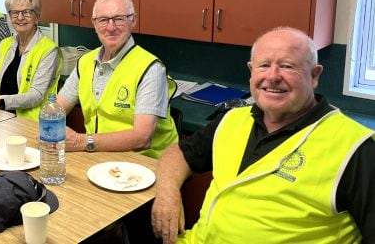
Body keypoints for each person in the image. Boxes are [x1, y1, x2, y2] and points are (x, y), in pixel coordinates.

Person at [151, 27, 375, 244]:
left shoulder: (356, 149)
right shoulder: (231, 120)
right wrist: (168, 192)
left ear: (315, 75)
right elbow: (179, 154)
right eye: (264, 65)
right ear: (251, 71)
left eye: (287, 66)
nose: (273, 76)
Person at [57, 0, 179, 159]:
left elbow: (142, 138)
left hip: (146, 164)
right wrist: (51, 123)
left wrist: (80, 141)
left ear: (133, 20)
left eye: (119, 19)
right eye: (103, 20)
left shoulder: (151, 68)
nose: (111, 27)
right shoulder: (85, 62)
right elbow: (56, 109)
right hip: (100, 158)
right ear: (94, 23)